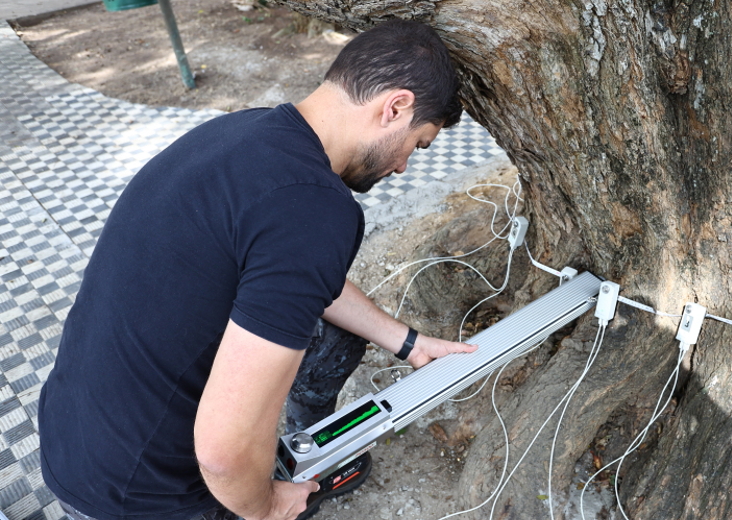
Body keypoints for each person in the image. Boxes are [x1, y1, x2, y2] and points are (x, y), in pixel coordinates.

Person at [38, 19, 476, 520]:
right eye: (417, 144)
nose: (402, 166)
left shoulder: (241, 132)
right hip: (142, 495)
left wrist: (410, 343)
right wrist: (265, 506)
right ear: (395, 107)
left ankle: (299, 454)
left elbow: (302, 278)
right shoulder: (318, 210)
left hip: (70, 437)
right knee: (270, 501)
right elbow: (222, 453)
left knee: (331, 332)